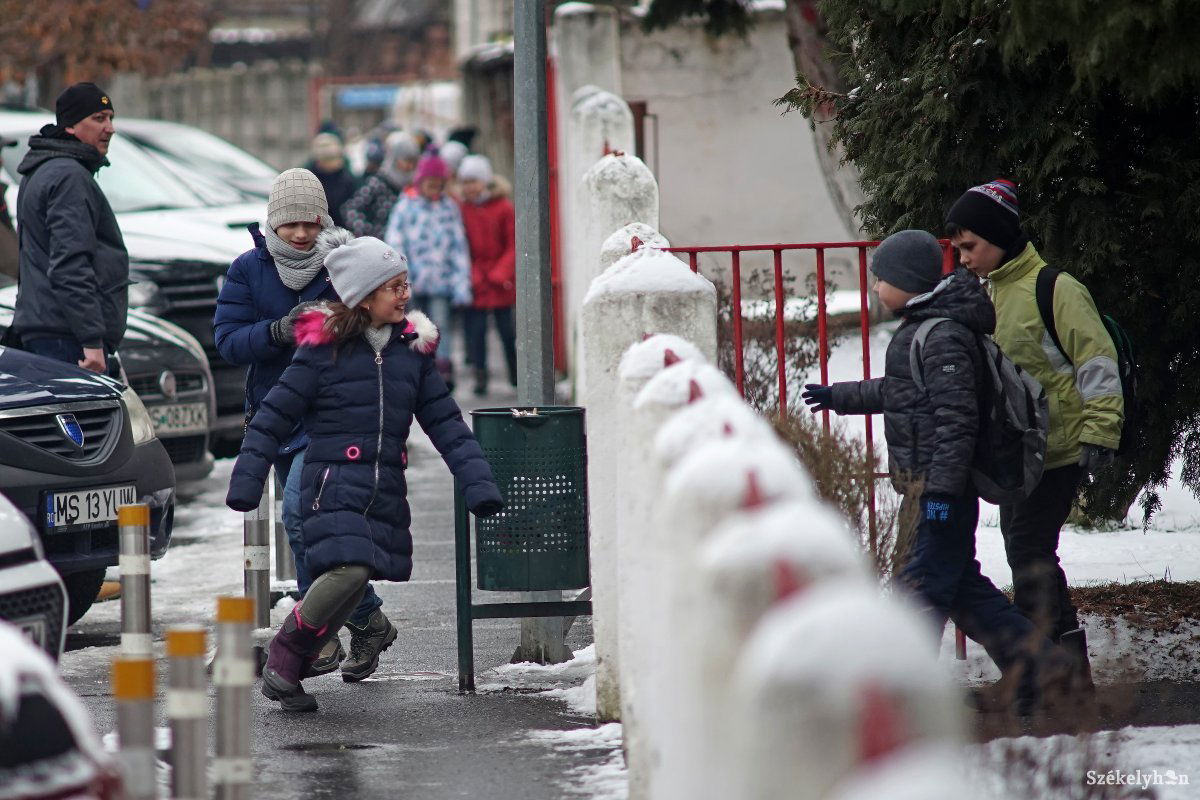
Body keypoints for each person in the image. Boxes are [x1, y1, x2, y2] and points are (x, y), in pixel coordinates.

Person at [225, 235, 504, 712]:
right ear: (363, 296)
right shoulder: (322, 349)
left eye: (406, 284)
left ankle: (289, 674)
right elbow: (273, 415)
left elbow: (447, 425)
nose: (405, 294)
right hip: (330, 484)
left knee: (355, 581)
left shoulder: (411, 353)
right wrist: (247, 480)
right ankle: (286, 652)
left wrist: (478, 483)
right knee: (348, 568)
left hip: (383, 489)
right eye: (394, 287)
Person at [802, 230, 1071, 713]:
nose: (876, 287)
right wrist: (839, 396)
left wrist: (943, 494)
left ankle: (901, 695)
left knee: (919, 592)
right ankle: (1044, 669)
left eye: (882, 278)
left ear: (907, 280)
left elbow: (957, 421)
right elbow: (901, 391)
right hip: (928, 489)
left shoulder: (942, 334)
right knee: (962, 592)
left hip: (941, 492)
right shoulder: (924, 330)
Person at [214, 168, 396, 682]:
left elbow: (384, 329)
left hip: (332, 417)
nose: (300, 234)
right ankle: (368, 620)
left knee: (300, 516)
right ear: (273, 223)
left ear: (325, 222)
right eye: (290, 224)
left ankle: (319, 636)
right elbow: (227, 341)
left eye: (310, 224)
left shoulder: (345, 265)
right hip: (277, 416)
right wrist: (277, 330)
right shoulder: (249, 269)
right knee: (310, 531)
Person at [945, 178, 1123, 688]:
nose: (963, 258)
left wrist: (1101, 431)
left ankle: (1042, 675)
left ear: (999, 236)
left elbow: (1096, 361)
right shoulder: (988, 293)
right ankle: (1066, 674)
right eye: (959, 249)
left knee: (1028, 554)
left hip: (1059, 450)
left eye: (970, 246)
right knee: (1029, 554)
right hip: (1017, 457)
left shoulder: (1056, 288)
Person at [12, 83, 124, 376]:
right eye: (99, 118)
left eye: (110, 118)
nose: (110, 128)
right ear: (71, 126)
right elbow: (70, 264)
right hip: (66, 338)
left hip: (49, 329)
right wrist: (91, 341)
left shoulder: (45, 169)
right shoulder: (68, 177)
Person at [384, 148, 472, 388]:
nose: (434, 190)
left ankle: (442, 368)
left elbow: (458, 246)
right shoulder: (406, 206)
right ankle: (415, 367)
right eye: (430, 185)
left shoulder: (449, 208)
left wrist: (461, 282)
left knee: (440, 325)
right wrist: (402, 275)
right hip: (412, 281)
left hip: (441, 281)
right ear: (420, 182)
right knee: (412, 325)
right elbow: (395, 241)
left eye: (439, 186)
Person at [458, 155, 517, 395]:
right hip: (476, 279)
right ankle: (480, 375)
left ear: (485, 181)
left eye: (473, 181)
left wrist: (502, 272)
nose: (469, 187)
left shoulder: (504, 207)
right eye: (465, 182)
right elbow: (460, 245)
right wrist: (471, 273)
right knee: (476, 331)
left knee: (507, 330)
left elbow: (513, 243)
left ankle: (516, 374)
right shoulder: (462, 210)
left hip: (499, 280)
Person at [341, 131, 420, 240]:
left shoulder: (417, 186)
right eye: (406, 160)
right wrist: (371, 236)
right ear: (395, 159)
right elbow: (351, 210)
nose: (410, 166)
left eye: (414, 162)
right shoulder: (379, 182)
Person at [305, 132, 357, 228]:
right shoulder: (308, 179)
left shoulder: (348, 179)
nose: (336, 162)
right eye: (330, 159)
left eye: (337, 158)